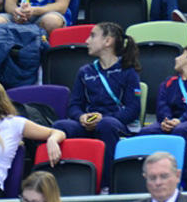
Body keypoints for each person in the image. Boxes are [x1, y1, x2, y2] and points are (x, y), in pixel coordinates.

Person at [54, 22, 141, 189]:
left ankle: (107, 186)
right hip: (89, 124)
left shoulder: (128, 71)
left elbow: (133, 110)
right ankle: (66, 184)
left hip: (116, 124)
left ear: (108, 41)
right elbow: (74, 105)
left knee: (106, 124)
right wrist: (81, 117)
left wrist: (104, 118)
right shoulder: (85, 71)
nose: (87, 41)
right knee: (60, 126)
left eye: (93, 36)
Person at [142, 44, 187, 142]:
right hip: (170, 121)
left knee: (180, 130)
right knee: (145, 132)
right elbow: (162, 105)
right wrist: (166, 121)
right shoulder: (170, 81)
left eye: (182, 55)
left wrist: (180, 120)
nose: (176, 58)